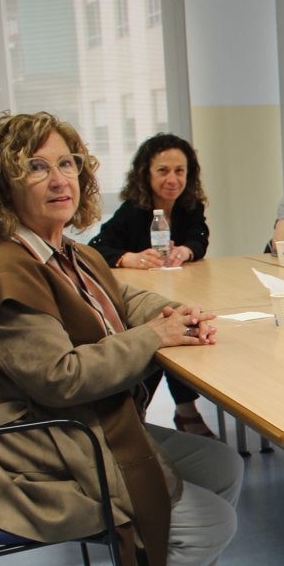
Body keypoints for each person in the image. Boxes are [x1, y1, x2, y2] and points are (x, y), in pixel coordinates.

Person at [0, 111, 245, 566]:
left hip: (91, 420)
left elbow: (123, 302)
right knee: (213, 522)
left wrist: (176, 313)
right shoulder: (1, 273)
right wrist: (155, 337)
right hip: (41, 440)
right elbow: (61, 377)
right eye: (36, 167)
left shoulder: (70, 253)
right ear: (3, 184)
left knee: (223, 466)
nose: (60, 179)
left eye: (67, 163)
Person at [89, 133, 218, 438]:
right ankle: (151, 413)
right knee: (169, 329)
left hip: (177, 287)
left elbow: (199, 238)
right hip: (138, 299)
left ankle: (184, 410)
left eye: (179, 171)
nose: (172, 179)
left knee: (188, 320)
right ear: (145, 174)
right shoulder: (134, 210)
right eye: (163, 171)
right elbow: (97, 247)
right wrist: (128, 258)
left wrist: (185, 250)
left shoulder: (190, 205)